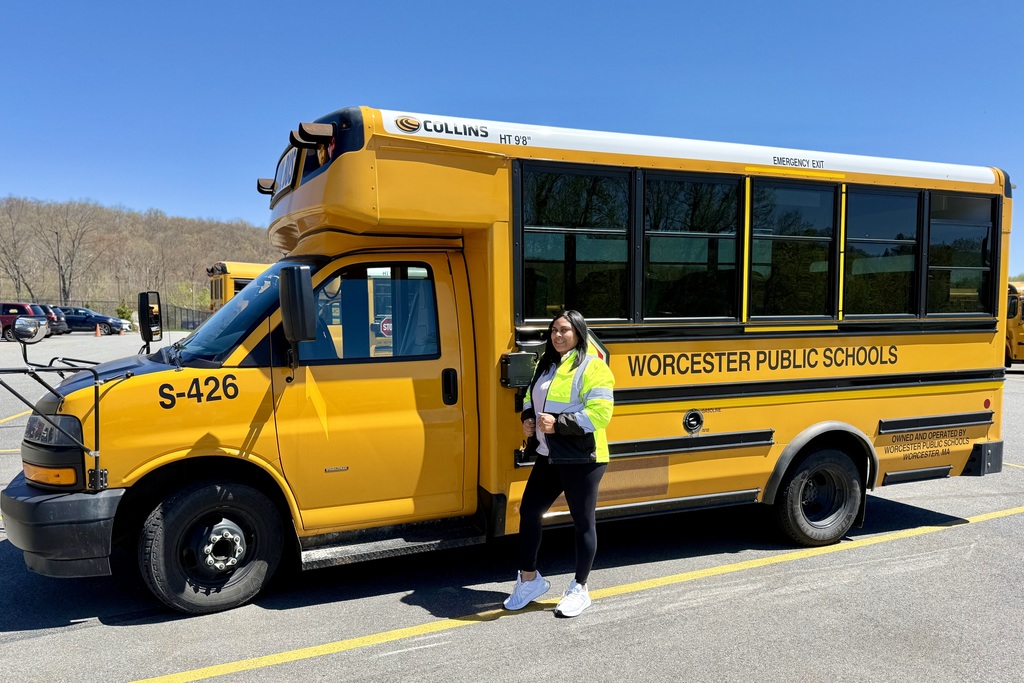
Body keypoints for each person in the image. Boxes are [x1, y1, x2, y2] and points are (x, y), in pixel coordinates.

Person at [503, 310, 615, 617]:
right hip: (548, 454)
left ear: (579, 333)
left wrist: (558, 424)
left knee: (582, 523)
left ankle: (580, 588)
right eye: (554, 330)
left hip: (583, 458)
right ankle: (529, 580)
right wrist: (527, 417)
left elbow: (601, 414)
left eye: (565, 330)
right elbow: (529, 394)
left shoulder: (593, 367)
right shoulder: (547, 364)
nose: (558, 335)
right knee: (529, 512)